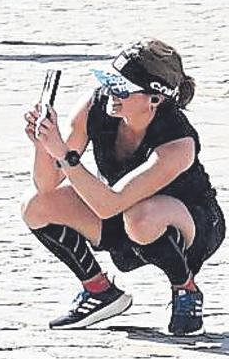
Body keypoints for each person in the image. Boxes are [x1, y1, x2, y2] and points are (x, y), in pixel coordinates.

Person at [22, 40, 222, 336]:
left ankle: (185, 288)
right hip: (122, 211)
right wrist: (43, 146)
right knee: (36, 206)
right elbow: (47, 184)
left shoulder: (178, 143)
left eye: (123, 88)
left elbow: (109, 204)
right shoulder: (95, 106)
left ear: (154, 98)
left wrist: (63, 154)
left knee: (141, 216)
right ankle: (99, 291)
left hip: (188, 223)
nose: (112, 93)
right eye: (110, 82)